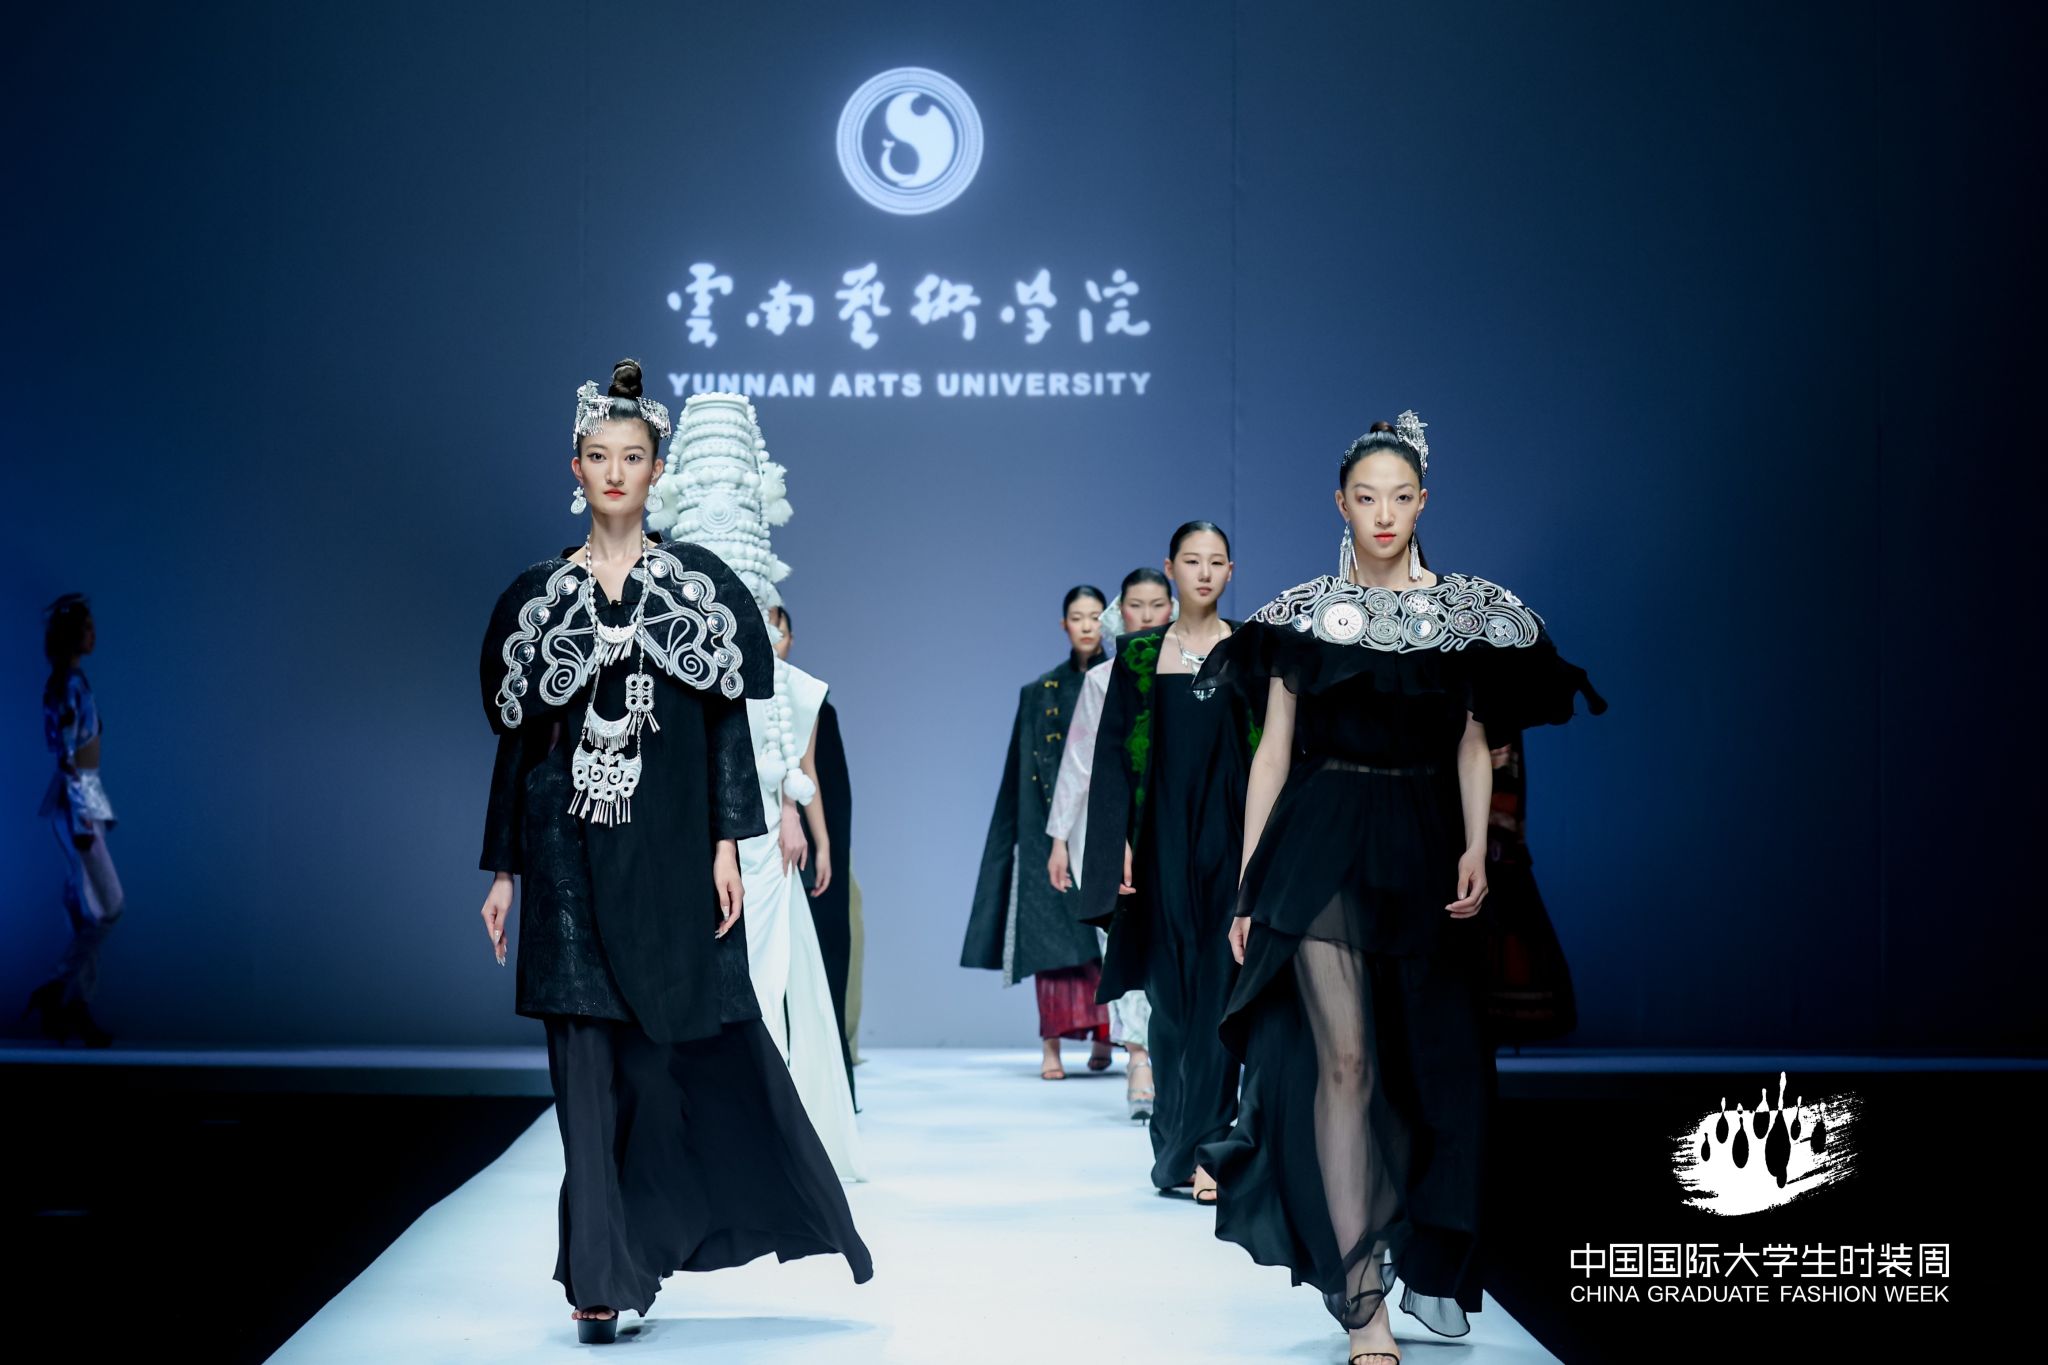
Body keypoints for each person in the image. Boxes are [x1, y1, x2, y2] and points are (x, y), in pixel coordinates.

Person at [1192, 413, 1603, 1364]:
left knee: (1428, 1069)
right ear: (1340, 504)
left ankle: (1408, 1246)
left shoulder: (1466, 615)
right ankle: (1360, 1296)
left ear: (1423, 503)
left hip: (1423, 845)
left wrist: (1476, 844)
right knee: (1344, 1062)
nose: (1384, 513)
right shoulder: (1299, 617)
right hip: (1321, 845)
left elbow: (1473, 741)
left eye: (1401, 496)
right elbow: (1272, 757)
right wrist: (1250, 881)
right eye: (1366, 497)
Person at [478, 361, 870, 1344]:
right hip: (564, 848)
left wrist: (728, 843)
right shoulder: (539, 597)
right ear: (575, 467)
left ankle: (639, 1243)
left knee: (654, 1070)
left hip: (665, 852)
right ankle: (596, 1275)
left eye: (632, 457)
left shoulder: (697, 592)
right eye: (598, 455)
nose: (615, 472)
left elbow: (726, 726)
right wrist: (505, 869)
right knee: (581, 1068)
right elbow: (519, 738)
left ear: (657, 471)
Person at [647, 392, 864, 1179]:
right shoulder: (669, 601)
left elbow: (770, 720)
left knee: (764, 971)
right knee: (697, 969)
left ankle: (766, 1128)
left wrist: (790, 812)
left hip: (758, 824)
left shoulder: (755, 615)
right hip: (683, 815)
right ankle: (706, 1126)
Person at [1078, 523, 1260, 1199]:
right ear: (1171, 568)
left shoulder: (1251, 651)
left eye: (1216, 562)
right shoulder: (1139, 655)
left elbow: (1268, 754)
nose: (1204, 573)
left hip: (1229, 842)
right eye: (1192, 561)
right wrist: (1119, 843)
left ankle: (1212, 1150)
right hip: (1159, 844)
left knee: (1219, 990)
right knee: (1169, 1000)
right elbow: (1112, 759)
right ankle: (1174, 1147)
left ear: (1231, 571)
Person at [962, 586, 1114, 1080]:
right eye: (1077, 617)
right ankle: (1051, 1046)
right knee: (1049, 940)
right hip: (1047, 830)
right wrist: (1029, 841)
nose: (1087, 625)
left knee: (1104, 939)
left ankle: (1106, 1037)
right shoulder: (1039, 693)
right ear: (1063, 625)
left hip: (1105, 827)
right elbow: (1019, 771)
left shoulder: (1121, 682)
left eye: (1095, 616)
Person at [1045, 568, 1176, 1119]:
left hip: (1175, 826)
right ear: (1119, 614)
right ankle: (1139, 1057)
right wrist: (1058, 838)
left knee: (1175, 944)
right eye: (1134, 606)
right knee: (1123, 941)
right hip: (1111, 829)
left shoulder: (1191, 668)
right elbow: (1078, 762)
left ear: (1170, 608)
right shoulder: (1102, 679)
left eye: (1155, 605)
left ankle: (1176, 1059)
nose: (1145, 617)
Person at [769, 602, 860, 1101]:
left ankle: (825, 1083)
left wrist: (825, 844)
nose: (771, 638)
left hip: (797, 843)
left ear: (791, 638)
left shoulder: (809, 698)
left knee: (818, 956)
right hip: (748, 842)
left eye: (779, 630)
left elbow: (815, 777)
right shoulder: (727, 695)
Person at [24, 594, 120, 1047]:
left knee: (87, 913)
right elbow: (67, 756)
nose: (93, 634)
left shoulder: (70, 682)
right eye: (87, 627)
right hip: (77, 801)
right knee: (109, 907)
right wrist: (85, 818)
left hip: (82, 798)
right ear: (70, 635)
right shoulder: (68, 685)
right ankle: (56, 987)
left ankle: (74, 1006)